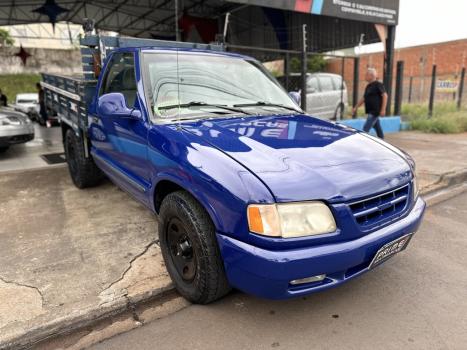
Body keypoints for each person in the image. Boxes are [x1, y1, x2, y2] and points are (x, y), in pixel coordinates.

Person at [352, 68, 388, 139]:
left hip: (375, 112)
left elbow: (385, 96)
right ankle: (382, 140)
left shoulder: (378, 84)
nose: (365, 76)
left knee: (365, 129)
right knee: (377, 127)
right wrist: (356, 107)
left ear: (371, 76)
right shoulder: (368, 86)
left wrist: (383, 110)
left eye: (366, 75)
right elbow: (364, 98)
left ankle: (362, 142)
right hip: (370, 111)